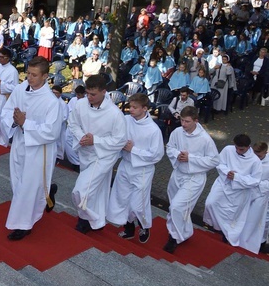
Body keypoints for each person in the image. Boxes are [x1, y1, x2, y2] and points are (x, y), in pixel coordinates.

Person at [1, 56, 64, 240]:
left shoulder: (52, 102)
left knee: (28, 187)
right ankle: (47, 193)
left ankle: (24, 225)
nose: (29, 77)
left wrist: (25, 123)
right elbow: (7, 110)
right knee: (18, 182)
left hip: (40, 150)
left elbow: (52, 132)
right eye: (28, 73)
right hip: (21, 143)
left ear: (45, 76)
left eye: (34, 75)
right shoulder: (20, 89)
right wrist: (14, 122)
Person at [68, 74, 127, 234]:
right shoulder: (81, 105)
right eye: (87, 93)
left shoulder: (115, 114)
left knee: (80, 190)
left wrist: (96, 140)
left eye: (93, 94)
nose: (89, 97)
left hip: (103, 157)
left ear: (104, 92)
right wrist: (82, 137)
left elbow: (120, 140)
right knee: (94, 190)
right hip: (85, 153)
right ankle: (95, 220)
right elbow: (72, 123)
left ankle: (89, 218)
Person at [107, 93, 164, 243]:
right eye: (130, 106)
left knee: (138, 203)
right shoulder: (126, 120)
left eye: (134, 107)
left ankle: (144, 225)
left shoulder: (153, 130)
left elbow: (156, 155)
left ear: (145, 108)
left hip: (142, 170)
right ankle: (129, 227)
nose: (130, 110)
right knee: (122, 198)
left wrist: (134, 149)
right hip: (126, 165)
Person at [163, 106, 219, 253]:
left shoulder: (205, 139)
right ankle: (186, 232)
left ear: (196, 120)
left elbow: (214, 160)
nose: (183, 124)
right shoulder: (177, 132)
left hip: (194, 178)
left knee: (177, 206)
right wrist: (177, 155)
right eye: (182, 120)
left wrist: (190, 158)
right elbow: (169, 147)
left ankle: (173, 237)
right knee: (177, 207)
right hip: (178, 174)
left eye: (187, 121)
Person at [203, 134, 262, 252]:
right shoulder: (228, 150)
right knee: (210, 203)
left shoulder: (255, 161)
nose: (238, 151)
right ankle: (218, 227)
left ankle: (226, 234)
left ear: (248, 147)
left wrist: (237, 177)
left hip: (240, 190)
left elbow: (255, 180)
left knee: (231, 214)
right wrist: (227, 172)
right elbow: (219, 163)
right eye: (237, 148)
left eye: (241, 149)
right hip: (223, 183)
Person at [242, 142, 269, 254]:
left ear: (266, 152)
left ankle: (259, 243)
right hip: (248, 191)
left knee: (258, 220)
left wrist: (257, 184)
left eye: (259, 156)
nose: (256, 158)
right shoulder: (250, 158)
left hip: (262, 194)